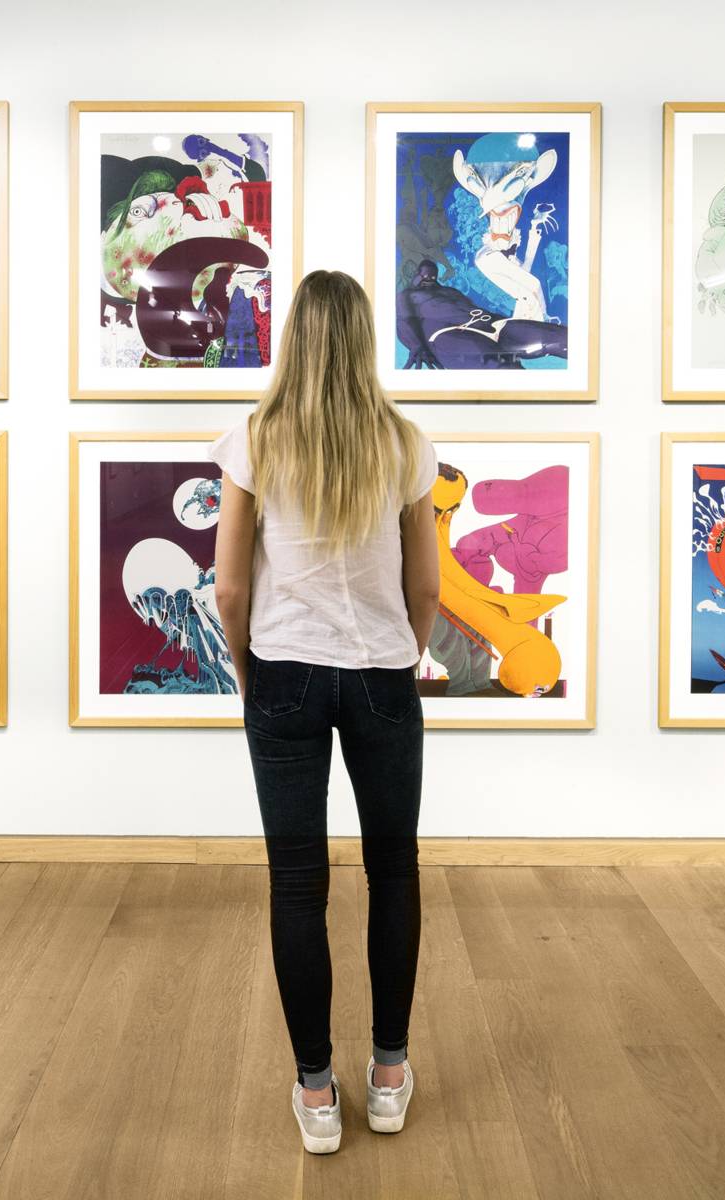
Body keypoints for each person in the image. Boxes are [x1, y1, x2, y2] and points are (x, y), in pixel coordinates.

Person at [211, 269, 440, 1155]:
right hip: (382, 674)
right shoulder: (404, 443)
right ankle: (388, 1076)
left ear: (293, 338)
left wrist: (248, 673)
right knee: (395, 872)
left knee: (298, 884)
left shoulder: (257, 439)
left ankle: (315, 1093)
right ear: (364, 341)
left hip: (285, 673)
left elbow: (231, 587)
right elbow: (426, 584)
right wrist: (403, 654)